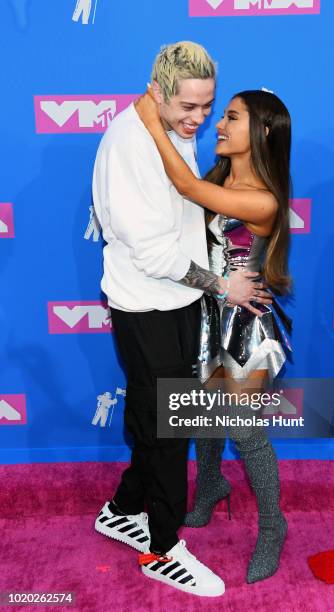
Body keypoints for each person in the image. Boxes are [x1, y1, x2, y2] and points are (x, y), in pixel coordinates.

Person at [92, 42, 271, 597]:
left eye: (207, 106)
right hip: (147, 307)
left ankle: (122, 510)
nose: (198, 118)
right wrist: (222, 285)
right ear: (156, 92)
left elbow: (187, 198)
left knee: (158, 418)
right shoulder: (131, 143)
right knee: (167, 432)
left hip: (174, 305)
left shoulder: (169, 130)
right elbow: (154, 253)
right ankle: (162, 549)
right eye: (186, 107)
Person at [136, 87, 293, 584]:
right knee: (203, 417)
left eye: (231, 117)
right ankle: (209, 486)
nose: (217, 125)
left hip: (248, 328)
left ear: (263, 131)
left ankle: (274, 526)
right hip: (203, 319)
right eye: (219, 116)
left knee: (244, 430)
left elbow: (184, 187)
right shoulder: (217, 176)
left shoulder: (264, 197)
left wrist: (150, 122)